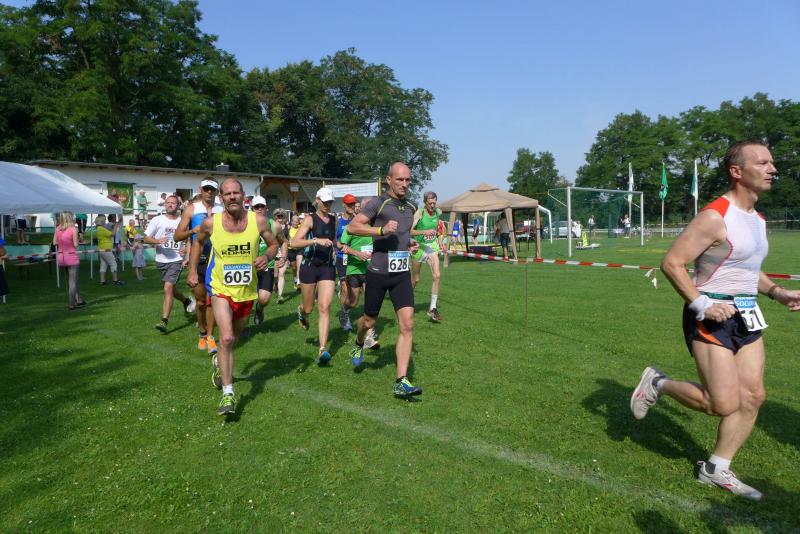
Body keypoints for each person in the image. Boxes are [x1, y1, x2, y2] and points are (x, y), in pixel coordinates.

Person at [630, 140, 800, 501]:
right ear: (737, 171)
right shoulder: (714, 216)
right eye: (762, 163)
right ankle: (657, 383)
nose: (772, 169)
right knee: (720, 404)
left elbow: (747, 271)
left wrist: (777, 292)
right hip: (711, 316)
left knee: (753, 396)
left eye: (772, 162)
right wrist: (702, 304)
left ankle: (716, 469)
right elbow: (672, 263)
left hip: (747, 314)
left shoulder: (757, 220)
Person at [188, 178, 278, 417]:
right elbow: (197, 243)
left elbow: (273, 245)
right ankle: (228, 394)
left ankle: (219, 362)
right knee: (226, 337)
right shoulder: (211, 223)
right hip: (220, 287)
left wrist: (266, 257)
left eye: (236, 193)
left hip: (246, 291)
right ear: (221, 198)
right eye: (227, 194)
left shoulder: (258, 221)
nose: (232, 197)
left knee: (233, 338)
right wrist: (192, 270)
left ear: (243, 195)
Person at [347, 162, 423, 399]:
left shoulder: (411, 206)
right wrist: (380, 231)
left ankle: (401, 381)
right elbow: (353, 227)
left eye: (408, 180)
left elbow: (403, 233)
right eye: (400, 179)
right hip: (379, 272)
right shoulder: (378, 203)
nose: (404, 184)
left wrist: (409, 243)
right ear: (388, 180)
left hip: (401, 273)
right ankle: (359, 342)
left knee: (408, 324)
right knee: (369, 321)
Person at [174, 178, 223, 354]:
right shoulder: (192, 209)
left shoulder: (222, 209)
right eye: (206, 188)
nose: (209, 192)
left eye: (212, 189)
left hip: (218, 260)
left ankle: (210, 336)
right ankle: (202, 332)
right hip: (199, 259)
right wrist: (192, 231)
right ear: (200, 189)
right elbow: (177, 236)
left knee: (213, 301)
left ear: (217, 192)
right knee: (201, 302)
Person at [291, 187, 338, 364]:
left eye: (330, 202)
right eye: (324, 202)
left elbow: (334, 241)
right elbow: (294, 242)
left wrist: (341, 247)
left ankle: (322, 349)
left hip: (327, 267)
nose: (327, 205)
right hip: (309, 266)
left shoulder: (334, 219)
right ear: (317, 200)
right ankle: (302, 311)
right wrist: (315, 240)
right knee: (309, 308)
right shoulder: (310, 219)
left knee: (325, 307)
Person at [145, 194, 195, 333]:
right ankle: (186, 301)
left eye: (173, 203)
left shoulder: (182, 221)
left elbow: (189, 240)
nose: (170, 205)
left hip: (176, 260)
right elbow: (146, 238)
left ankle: (164, 321)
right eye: (168, 202)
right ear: (164, 205)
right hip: (161, 260)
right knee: (171, 289)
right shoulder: (157, 220)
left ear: (178, 206)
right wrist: (157, 241)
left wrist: (187, 252)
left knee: (167, 288)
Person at [339, 199, 379, 365]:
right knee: (353, 302)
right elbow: (342, 245)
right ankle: (344, 311)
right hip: (354, 268)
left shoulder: (375, 226)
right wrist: (357, 254)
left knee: (370, 301)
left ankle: (369, 336)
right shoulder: (353, 225)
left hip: (371, 269)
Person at [250, 198, 288, 326]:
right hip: (248, 266)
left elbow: (284, 242)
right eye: (256, 207)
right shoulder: (245, 224)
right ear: (252, 209)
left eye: (262, 206)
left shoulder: (275, 225)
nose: (259, 209)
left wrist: (283, 257)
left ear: (267, 209)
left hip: (267, 266)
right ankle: (242, 326)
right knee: (245, 299)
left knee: (264, 299)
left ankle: (259, 309)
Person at [411, 191, 444, 322]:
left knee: (437, 275)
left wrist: (439, 240)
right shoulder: (419, 213)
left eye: (434, 203)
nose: (432, 206)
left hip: (431, 248)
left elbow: (439, 228)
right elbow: (409, 231)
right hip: (419, 248)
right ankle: (406, 300)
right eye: (430, 203)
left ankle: (432, 308)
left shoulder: (438, 212)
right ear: (425, 202)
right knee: (416, 280)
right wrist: (424, 232)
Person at [335, 194, 359, 331]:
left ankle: (345, 307)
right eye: (349, 204)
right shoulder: (338, 222)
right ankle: (344, 316)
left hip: (355, 259)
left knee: (354, 300)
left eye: (353, 204)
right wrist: (339, 246)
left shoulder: (357, 220)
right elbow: (334, 240)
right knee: (345, 289)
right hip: (341, 257)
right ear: (343, 205)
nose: (351, 206)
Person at [53, 212, 85, 310]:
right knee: (73, 282)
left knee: (72, 280)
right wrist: (79, 239)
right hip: (71, 257)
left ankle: (79, 299)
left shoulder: (58, 228)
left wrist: (62, 241)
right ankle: (72, 303)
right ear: (70, 218)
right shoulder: (73, 229)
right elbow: (75, 245)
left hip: (61, 257)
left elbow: (54, 242)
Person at [94, 214, 123, 286]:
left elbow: (110, 233)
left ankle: (102, 281)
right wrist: (117, 224)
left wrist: (116, 224)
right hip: (106, 249)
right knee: (113, 263)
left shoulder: (99, 228)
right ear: (101, 221)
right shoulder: (101, 229)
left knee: (103, 265)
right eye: (104, 220)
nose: (105, 221)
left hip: (102, 248)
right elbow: (112, 234)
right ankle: (115, 280)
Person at [272, 208, 290, 304]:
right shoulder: (271, 226)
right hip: (274, 252)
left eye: (282, 216)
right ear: (275, 217)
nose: (280, 218)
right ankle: (275, 284)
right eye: (278, 216)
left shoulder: (287, 226)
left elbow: (288, 238)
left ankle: (280, 295)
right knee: (275, 275)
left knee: (281, 273)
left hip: (283, 252)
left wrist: (289, 243)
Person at [287, 213, 303, 289]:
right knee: (293, 267)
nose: (296, 223)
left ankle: (299, 281)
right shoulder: (289, 228)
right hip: (291, 249)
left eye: (297, 221)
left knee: (299, 265)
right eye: (295, 221)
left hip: (299, 249)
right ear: (292, 221)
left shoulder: (301, 228)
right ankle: (295, 280)